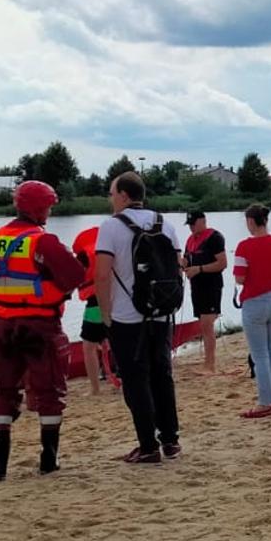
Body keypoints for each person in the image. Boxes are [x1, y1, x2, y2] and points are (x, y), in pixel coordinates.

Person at [0, 182, 87, 480]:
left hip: (3, 328)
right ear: (40, 207)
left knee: (4, 390)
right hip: (40, 326)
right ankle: (48, 460)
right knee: (50, 391)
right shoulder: (43, 241)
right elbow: (75, 276)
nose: (51, 211)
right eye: (49, 206)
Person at [95, 171, 184, 463]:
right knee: (162, 376)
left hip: (127, 316)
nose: (110, 199)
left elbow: (102, 274)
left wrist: (105, 315)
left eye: (111, 193)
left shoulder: (111, 227)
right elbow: (177, 266)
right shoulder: (166, 224)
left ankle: (148, 446)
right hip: (161, 313)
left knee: (135, 380)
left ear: (123, 195)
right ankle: (170, 440)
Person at [234, 204, 271, 418]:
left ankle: (265, 401)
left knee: (260, 354)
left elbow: (240, 278)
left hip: (254, 302)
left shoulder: (244, 247)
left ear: (251, 221)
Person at [180, 211, 227, 375]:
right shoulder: (190, 240)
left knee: (207, 324)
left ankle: (210, 365)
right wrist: (182, 264)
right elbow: (186, 259)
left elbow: (222, 263)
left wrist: (199, 269)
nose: (191, 227)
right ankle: (207, 362)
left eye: (194, 223)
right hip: (196, 287)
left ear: (203, 221)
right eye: (189, 224)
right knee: (203, 324)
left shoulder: (214, 237)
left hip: (211, 286)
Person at [70, 226, 115, 395]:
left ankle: (95, 389)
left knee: (88, 346)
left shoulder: (83, 256)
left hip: (95, 303)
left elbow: (73, 277)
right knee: (118, 341)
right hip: (117, 301)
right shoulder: (111, 249)